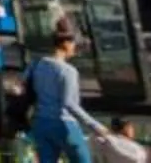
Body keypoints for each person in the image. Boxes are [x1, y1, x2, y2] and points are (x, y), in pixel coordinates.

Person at [27, 20, 104, 163]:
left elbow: (21, 86)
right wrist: (97, 126)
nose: (75, 48)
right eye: (74, 43)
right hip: (64, 124)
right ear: (66, 43)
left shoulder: (36, 64)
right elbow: (69, 104)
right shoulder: (68, 71)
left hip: (41, 124)